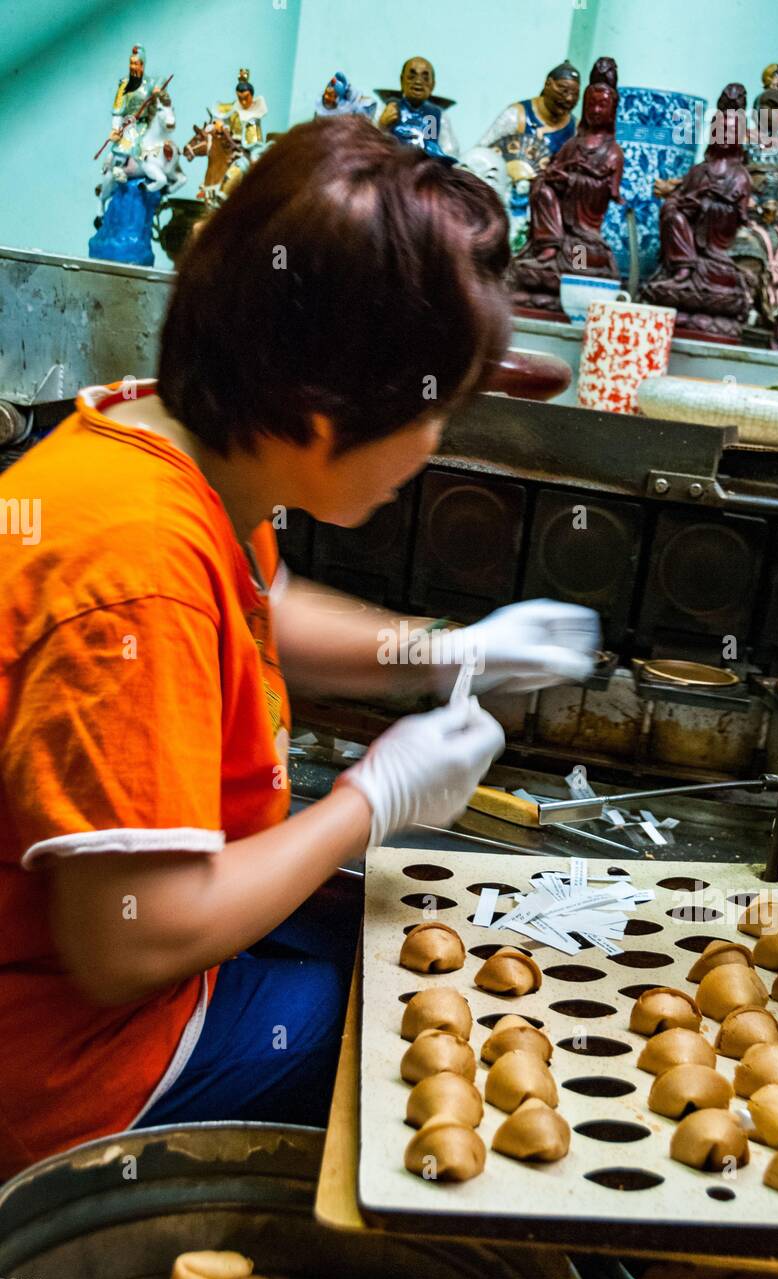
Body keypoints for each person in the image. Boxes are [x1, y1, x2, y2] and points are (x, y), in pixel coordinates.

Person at [0, 117, 599, 1178]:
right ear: (324, 421)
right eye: (432, 414)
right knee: (395, 1026)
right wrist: (366, 802)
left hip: (98, 976)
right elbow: (126, 939)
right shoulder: (137, 570)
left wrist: (449, 651)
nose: (434, 445)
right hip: (66, 1067)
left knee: (361, 927)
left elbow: (261, 608)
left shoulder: (171, 440)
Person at [479, 61, 582, 176]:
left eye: (575, 94)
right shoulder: (518, 115)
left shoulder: (575, 129)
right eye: (564, 90)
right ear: (548, 84)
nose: (569, 98)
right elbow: (482, 153)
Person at [378, 55, 459, 161]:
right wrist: (381, 125)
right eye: (412, 76)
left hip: (427, 169)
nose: (418, 82)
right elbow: (372, 142)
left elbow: (450, 149)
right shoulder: (390, 109)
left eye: (425, 78)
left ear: (432, 85)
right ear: (402, 81)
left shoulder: (438, 116)